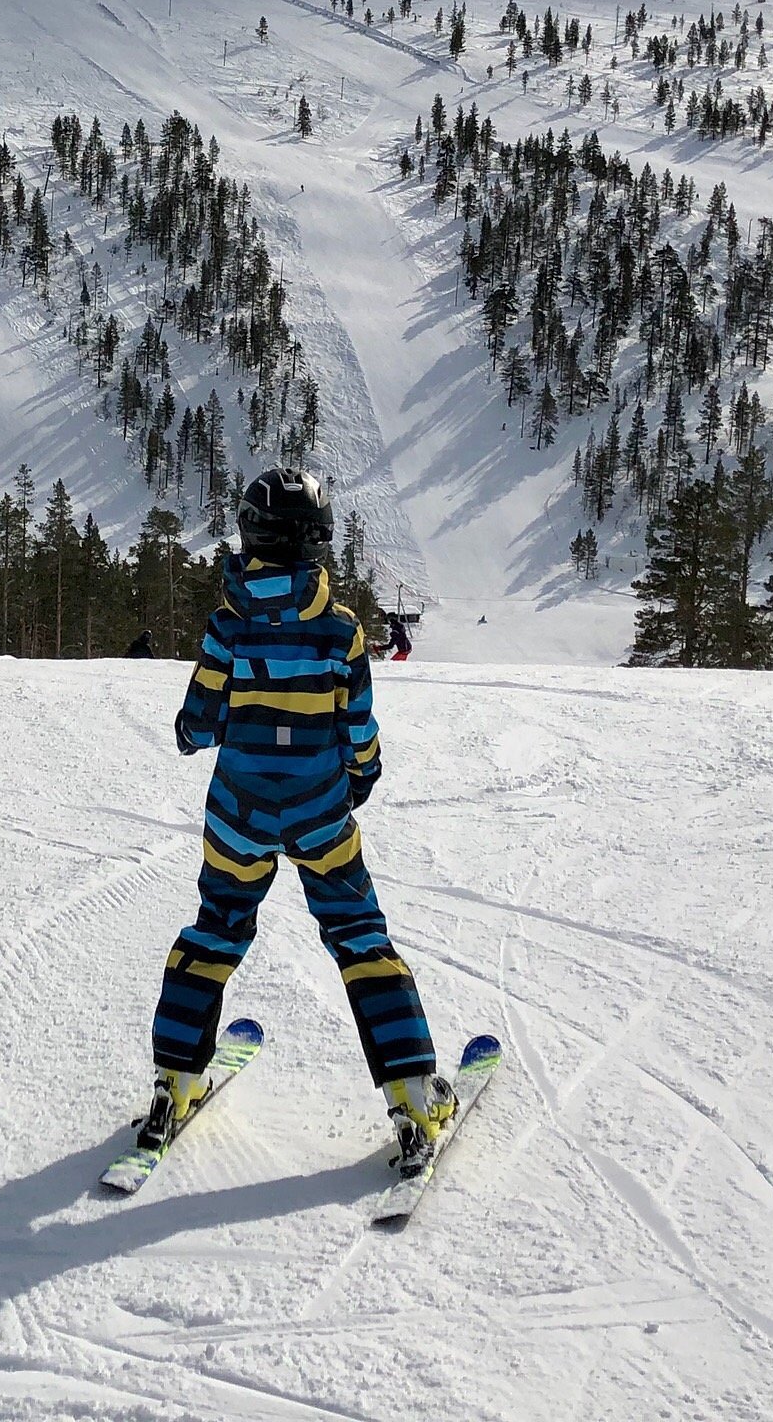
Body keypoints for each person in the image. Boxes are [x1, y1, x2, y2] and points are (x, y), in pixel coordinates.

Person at [141, 468, 454, 1175]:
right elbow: (358, 729)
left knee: (215, 928)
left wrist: (213, 724)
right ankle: (410, 1094)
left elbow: (196, 725)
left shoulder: (228, 626)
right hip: (319, 812)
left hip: (238, 814)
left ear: (250, 535)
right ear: (319, 545)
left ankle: (174, 1081)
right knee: (358, 936)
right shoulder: (340, 632)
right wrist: (361, 778)